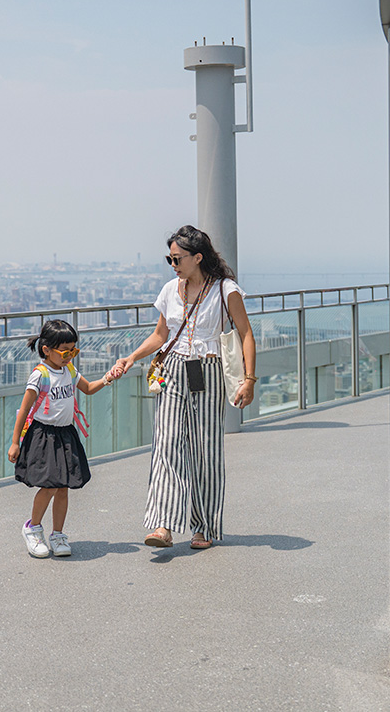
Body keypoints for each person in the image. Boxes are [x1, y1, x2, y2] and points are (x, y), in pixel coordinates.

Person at [109, 225, 257, 549]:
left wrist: (249, 380)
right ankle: (163, 525)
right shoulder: (169, 290)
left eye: (177, 258)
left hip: (207, 369)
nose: (173, 264)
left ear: (198, 257)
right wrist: (132, 357)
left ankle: (203, 526)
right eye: (170, 259)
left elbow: (246, 333)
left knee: (206, 449)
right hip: (173, 369)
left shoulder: (225, 290)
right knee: (166, 443)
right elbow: (160, 335)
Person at [8, 319, 112, 558]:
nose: (70, 356)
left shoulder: (69, 370)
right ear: (47, 350)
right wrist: (15, 442)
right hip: (44, 435)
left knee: (64, 487)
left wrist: (108, 378)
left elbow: (88, 388)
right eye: (65, 351)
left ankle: (58, 534)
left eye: (73, 351)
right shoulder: (40, 375)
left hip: (66, 433)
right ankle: (33, 528)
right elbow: (24, 409)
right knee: (49, 486)